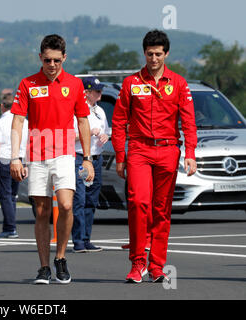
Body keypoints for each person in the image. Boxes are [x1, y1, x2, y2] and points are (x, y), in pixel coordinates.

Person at [112, 30, 197, 284]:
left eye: (158, 54)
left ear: (166, 54)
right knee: (139, 202)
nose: (154, 58)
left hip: (168, 150)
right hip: (138, 149)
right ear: (144, 53)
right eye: (149, 54)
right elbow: (118, 121)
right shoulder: (131, 83)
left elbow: (189, 121)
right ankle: (138, 263)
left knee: (161, 210)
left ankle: (157, 266)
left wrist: (190, 153)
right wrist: (120, 154)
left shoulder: (179, 83)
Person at [10, 34, 94, 285]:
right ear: (40, 58)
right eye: (47, 60)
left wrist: (87, 158)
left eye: (57, 60)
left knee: (66, 205)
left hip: (65, 154)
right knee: (42, 212)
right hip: (36, 155)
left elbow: (83, 121)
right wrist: (15, 157)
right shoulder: (27, 84)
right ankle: (44, 267)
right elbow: (17, 120)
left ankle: (60, 257)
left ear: (64, 58)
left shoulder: (75, 84)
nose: (52, 65)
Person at [72, 76, 109, 253]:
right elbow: (70, 136)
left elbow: (106, 131)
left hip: (96, 158)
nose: (100, 93)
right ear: (86, 92)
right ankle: (78, 240)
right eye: (97, 91)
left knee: (91, 200)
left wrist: (104, 136)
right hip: (80, 157)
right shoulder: (77, 110)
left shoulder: (100, 111)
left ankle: (86, 238)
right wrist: (86, 133)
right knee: (80, 197)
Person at [0, 93, 29, 238]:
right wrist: (26, 164)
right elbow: (28, 145)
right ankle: (9, 226)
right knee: (12, 195)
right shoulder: (25, 122)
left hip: (5, 160)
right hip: (20, 159)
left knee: (5, 196)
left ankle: (10, 228)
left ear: (2, 107)